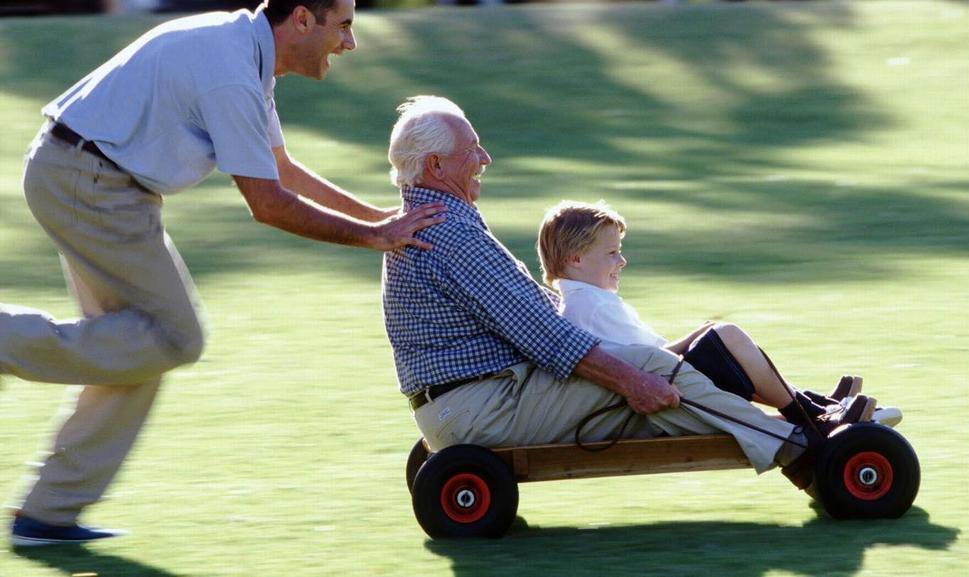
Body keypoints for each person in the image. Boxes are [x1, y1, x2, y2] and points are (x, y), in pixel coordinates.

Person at [0, 0, 446, 547]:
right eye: (345, 25)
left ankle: (45, 515)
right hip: (89, 182)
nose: (351, 42)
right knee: (175, 336)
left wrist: (380, 218)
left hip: (91, 178)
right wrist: (375, 238)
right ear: (302, 19)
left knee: (139, 346)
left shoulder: (245, 53)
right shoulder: (232, 72)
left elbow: (280, 169)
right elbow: (269, 203)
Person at [380, 95, 874, 502]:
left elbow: (531, 316)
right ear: (436, 164)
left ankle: (797, 421)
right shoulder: (450, 233)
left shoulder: (427, 221)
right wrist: (632, 378)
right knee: (652, 370)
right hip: (481, 409)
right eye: (474, 149)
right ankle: (804, 449)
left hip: (462, 406)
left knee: (650, 363)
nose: (485, 159)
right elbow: (547, 336)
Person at [535, 200, 902, 427]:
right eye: (612, 253)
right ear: (576, 259)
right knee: (725, 336)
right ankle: (809, 413)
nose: (622, 261)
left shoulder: (586, 300)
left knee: (719, 337)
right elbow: (650, 363)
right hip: (659, 396)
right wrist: (701, 336)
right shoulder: (590, 305)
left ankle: (814, 405)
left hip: (661, 383)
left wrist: (698, 335)